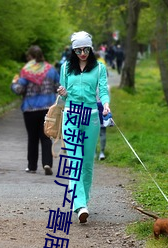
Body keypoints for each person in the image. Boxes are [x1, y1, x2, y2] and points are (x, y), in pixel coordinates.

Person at [57, 31, 110, 223]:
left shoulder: (99, 68)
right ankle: (80, 204)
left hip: (92, 117)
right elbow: (63, 97)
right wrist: (62, 92)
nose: (82, 53)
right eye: (78, 50)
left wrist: (105, 104)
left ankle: (83, 202)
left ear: (91, 48)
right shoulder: (65, 68)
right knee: (75, 161)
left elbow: (103, 90)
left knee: (87, 162)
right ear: (73, 50)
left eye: (86, 49)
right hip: (71, 115)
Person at [11, 45, 60, 175]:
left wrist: (14, 83)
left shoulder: (26, 71)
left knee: (32, 138)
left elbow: (19, 90)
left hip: (30, 109)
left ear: (30, 57)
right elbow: (58, 87)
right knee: (45, 137)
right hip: (47, 109)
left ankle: (32, 166)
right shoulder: (51, 70)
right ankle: (47, 163)